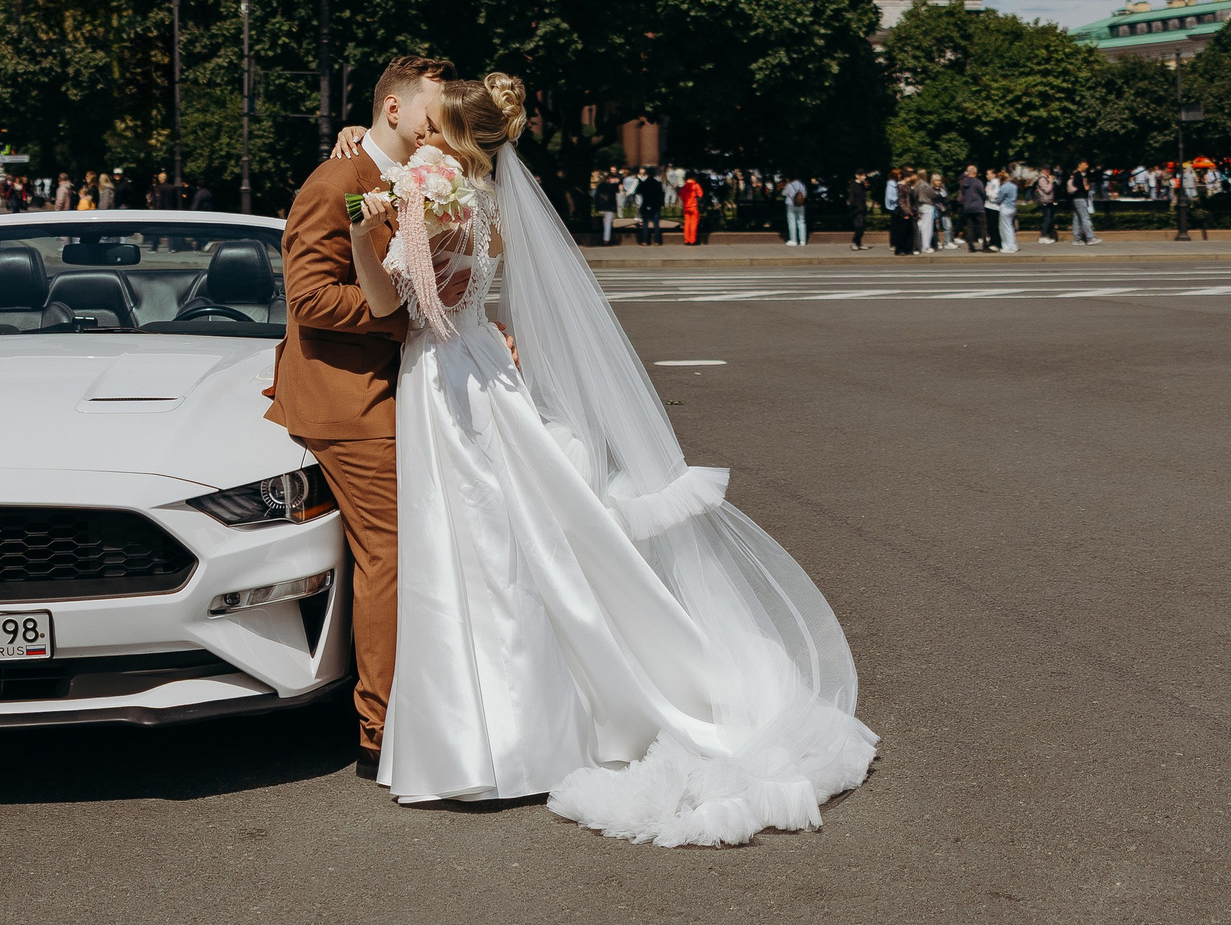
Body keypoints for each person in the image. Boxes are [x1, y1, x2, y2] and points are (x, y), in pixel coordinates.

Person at [337, 72, 875, 839]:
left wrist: (385, 221)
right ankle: (500, 728)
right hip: (471, 366)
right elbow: (424, 294)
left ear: (452, 136)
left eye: (433, 123)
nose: (421, 132)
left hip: (449, 379)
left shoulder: (444, 198)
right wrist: (375, 204)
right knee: (505, 541)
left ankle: (501, 740)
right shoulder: (476, 197)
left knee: (481, 547)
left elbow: (411, 304)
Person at [269, 55, 447, 778]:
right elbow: (309, 298)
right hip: (349, 397)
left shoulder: (412, 176)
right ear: (395, 109)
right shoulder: (335, 182)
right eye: (433, 110)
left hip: (398, 385)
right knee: (390, 552)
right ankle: (380, 726)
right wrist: (406, 315)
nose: (442, 124)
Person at [1068, 160, 1099, 245]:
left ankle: (1077, 239)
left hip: (1077, 198)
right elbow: (1076, 184)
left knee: (1077, 218)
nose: (1086, 166)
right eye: (1085, 164)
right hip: (1080, 198)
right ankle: (1090, 238)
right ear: (1079, 164)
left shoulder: (1078, 174)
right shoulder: (1077, 174)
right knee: (1085, 217)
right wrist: (1084, 187)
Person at [958, 166, 987, 252]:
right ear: (975, 172)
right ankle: (985, 245)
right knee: (982, 226)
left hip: (967, 207)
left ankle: (971, 246)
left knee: (970, 227)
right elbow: (982, 194)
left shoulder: (964, 183)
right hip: (978, 207)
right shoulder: (977, 182)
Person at [634, 167, 666, 247]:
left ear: (647, 174)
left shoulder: (644, 183)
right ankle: (657, 241)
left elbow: (637, 191)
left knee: (645, 224)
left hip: (645, 205)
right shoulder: (658, 184)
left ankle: (645, 241)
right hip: (656, 205)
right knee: (656, 224)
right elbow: (662, 195)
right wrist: (662, 204)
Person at [993, 168, 1019, 252]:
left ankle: (1008, 246)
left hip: (1005, 207)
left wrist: (994, 200)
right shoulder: (1014, 186)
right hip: (1013, 207)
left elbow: (999, 199)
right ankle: (1013, 245)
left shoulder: (1003, 187)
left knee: (1005, 228)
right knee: (1010, 227)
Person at [913, 170, 937, 254]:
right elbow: (933, 194)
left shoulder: (917, 184)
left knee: (920, 225)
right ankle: (926, 246)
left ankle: (918, 245)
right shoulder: (925, 185)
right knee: (927, 228)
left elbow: (914, 195)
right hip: (928, 206)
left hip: (920, 206)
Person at [781, 172, 809, 247]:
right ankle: (803, 241)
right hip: (801, 205)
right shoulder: (802, 184)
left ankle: (793, 240)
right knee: (802, 222)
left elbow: (783, 193)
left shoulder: (789, 185)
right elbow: (805, 195)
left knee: (792, 222)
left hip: (791, 205)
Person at [679, 174, 702, 246]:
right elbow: (700, 194)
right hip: (694, 207)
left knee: (687, 224)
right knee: (693, 224)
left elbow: (681, 196)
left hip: (686, 207)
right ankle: (692, 240)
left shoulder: (684, 187)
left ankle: (686, 240)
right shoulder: (695, 185)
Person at [848, 172, 869, 251]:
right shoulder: (854, 185)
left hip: (862, 208)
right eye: (862, 175)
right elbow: (852, 198)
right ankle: (854, 242)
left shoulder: (861, 185)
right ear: (857, 175)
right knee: (859, 227)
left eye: (864, 175)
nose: (864, 177)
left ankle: (858, 243)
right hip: (857, 209)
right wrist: (855, 207)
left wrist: (866, 187)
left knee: (862, 227)